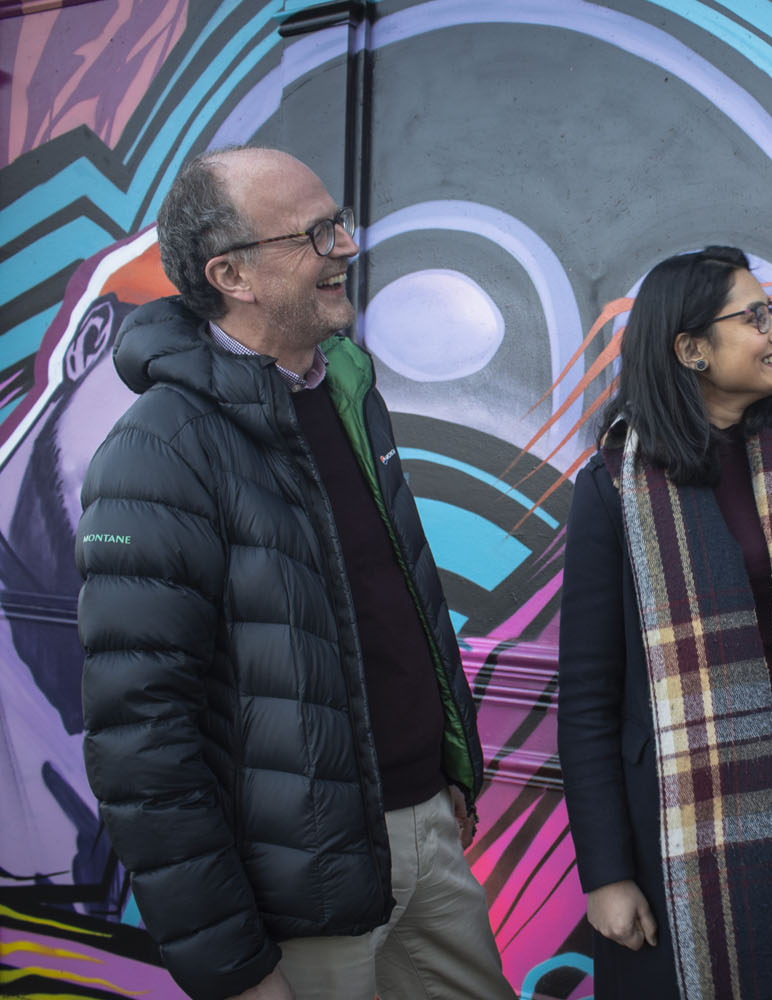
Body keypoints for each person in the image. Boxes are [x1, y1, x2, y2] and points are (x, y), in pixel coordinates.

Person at [75, 147, 516, 1000]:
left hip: (426, 830)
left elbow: (397, 599)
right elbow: (142, 743)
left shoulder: (347, 390)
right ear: (231, 274)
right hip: (299, 889)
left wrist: (448, 769)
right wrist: (231, 967)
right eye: (316, 232)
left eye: (340, 220)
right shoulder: (158, 451)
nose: (346, 246)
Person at [558, 245, 772, 999]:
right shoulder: (615, 487)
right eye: (756, 318)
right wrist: (606, 874)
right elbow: (587, 699)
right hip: (684, 831)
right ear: (690, 349)